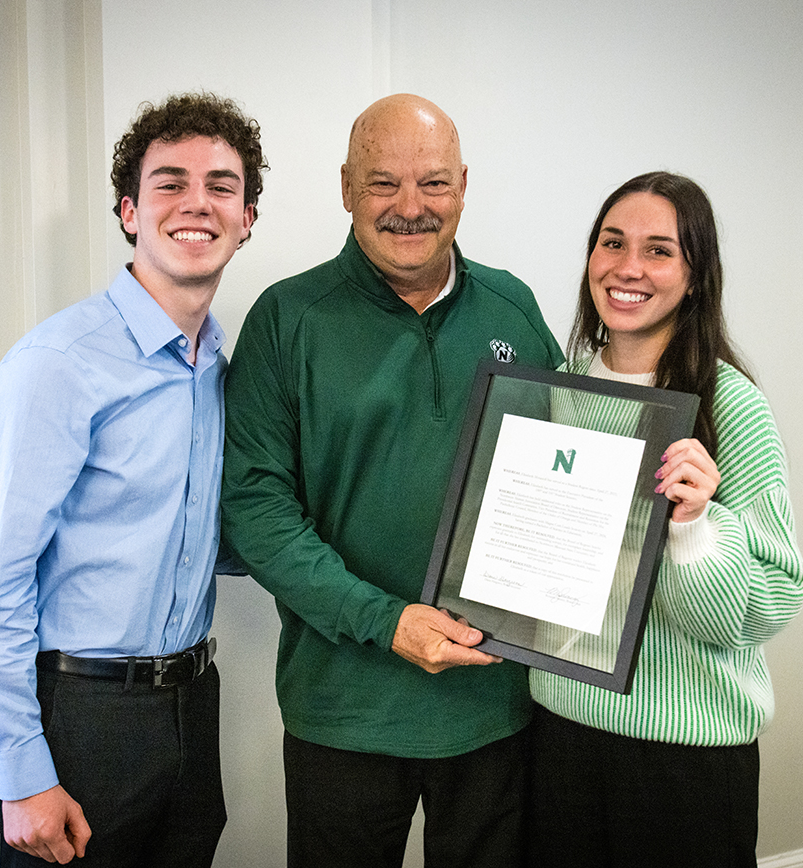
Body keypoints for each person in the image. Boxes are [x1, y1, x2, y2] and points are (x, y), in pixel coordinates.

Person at [221, 93, 563, 868]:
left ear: (464, 186)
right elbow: (256, 511)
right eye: (383, 184)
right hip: (343, 711)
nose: (410, 208)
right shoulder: (287, 319)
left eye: (434, 184)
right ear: (346, 187)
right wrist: (386, 620)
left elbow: (567, 469)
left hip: (494, 707)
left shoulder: (514, 308)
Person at [0, 91, 267, 867]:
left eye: (221, 186)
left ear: (248, 219)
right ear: (130, 211)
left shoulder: (218, 372)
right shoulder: (56, 367)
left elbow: (209, 543)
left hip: (194, 706)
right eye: (170, 183)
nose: (197, 203)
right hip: (82, 717)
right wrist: (21, 773)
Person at [528, 171, 803, 867]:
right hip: (558, 734)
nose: (628, 268)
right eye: (612, 242)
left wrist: (690, 526)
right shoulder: (556, 388)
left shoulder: (730, 406)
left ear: (695, 274)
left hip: (684, 758)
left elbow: (768, 605)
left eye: (659, 250)